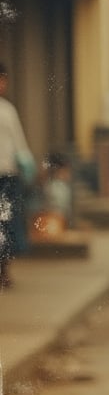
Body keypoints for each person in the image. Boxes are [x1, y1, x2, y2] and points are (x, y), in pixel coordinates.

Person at [0, 62, 34, 288]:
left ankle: (4, 270)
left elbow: (20, 144)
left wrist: (27, 166)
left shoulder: (7, 109)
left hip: (7, 175)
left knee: (6, 224)